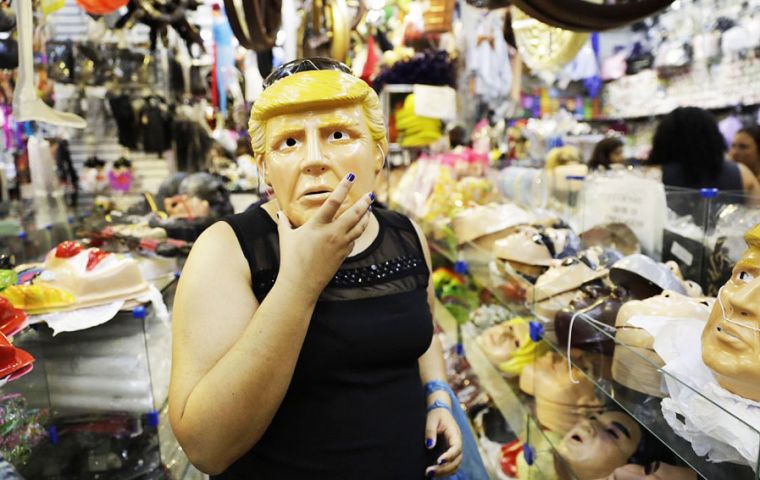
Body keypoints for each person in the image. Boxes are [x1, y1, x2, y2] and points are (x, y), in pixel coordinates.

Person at [168, 58, 463, 479]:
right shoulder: (226, 250)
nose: (313, 160)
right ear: (264, 167)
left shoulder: (405, 235)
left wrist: (437, 396)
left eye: (338, 135)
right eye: (288, 143)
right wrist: (299, 283)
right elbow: (206, 448)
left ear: (378, 153)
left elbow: (421, 329)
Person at [648, 107, 760, 196]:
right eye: (733, 146)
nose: (734, 152)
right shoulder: (742, 174)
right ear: (714, 137)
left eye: (743, 147)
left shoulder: (651, 177)